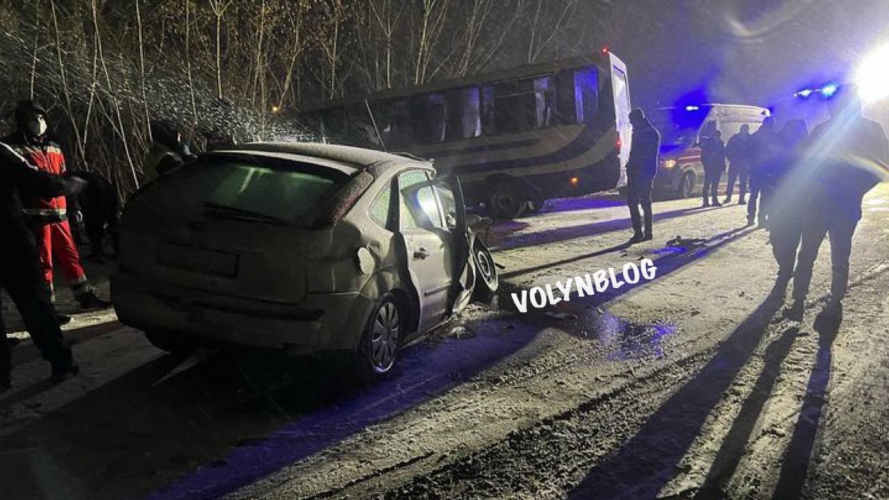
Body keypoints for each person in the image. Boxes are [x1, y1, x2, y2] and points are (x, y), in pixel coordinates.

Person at [786, 85, 889, 320]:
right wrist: (856, 190)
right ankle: (828, 302)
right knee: (836, 255)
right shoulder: (869, 130)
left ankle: (803, 302)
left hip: (822, 204)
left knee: (812, 255)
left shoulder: (828, 130)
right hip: (838, 205)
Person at [3, 100, 111, 318]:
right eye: (34, 118)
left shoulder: (54, 145)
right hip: (36, 216)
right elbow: (27, 180)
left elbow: (64, 176)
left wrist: (74, 207)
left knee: (71, 256)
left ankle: (84, 296)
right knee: (44, 262)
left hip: (60, 213)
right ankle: (49, 306)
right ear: (23, 121)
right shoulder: (13, 148)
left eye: (42, 117)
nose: (39, 122)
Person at [1, 142, 84, 392]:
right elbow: (38, 180)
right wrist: (70, 186)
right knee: (34, 303)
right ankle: (60, 361)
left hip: (11, 238)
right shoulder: (2, 153)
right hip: (9, 241)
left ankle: (2, 376)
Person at [764, 119, 808, 301]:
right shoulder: (778, 149)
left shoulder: (808, 152)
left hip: (798, 204)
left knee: (790, 242)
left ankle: (786, 271)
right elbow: (767, 171)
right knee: (776, 240)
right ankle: (786, 268)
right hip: (778, 202)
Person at [67, 170, 120, 263]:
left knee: (93, 226)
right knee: (112, 223)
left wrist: (75, 209)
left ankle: (98, 252)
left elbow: (73, 194)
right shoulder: (83, 175)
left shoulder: (71, 178)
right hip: (108, 193)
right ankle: (118, 250)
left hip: (98, 196)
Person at [625, 108, 661, 243]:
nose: (631, 124)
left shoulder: (644, 133)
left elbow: (640, 154)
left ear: (637, 120)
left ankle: (640, 232)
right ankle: (646, 232)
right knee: (644, 201)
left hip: (640, 171)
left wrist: (632, 166)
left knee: (636, 201)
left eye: (632, 121)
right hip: (645, 171)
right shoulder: (650, 132)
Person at [747, 117, 779, 227]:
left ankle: (751, 218)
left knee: (754, 195)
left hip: (756, 170)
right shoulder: (774, 137)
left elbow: (748, 153)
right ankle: (761, 218)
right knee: (765, 196)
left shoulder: (754, 136)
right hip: (767, 171)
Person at [724, 124, 752, 204]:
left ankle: (741, 198)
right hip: (736, 162)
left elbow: (753, 151)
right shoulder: (735, 138)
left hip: (744, 163)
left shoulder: (750, 139)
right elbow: (728, 149)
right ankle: (728, 197)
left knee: (743, 182)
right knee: (731, 181)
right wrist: (731, 158)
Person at [700, 130, 726, 207]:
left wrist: (723, 165)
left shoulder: (720, 144)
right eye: (716, 136)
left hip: (717, 166)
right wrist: (706, 165)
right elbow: (703, 156)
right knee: (707, 183)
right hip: (710, 166)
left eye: (718, 136)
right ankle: (706, 201)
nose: (717, 137)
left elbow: (722, 156)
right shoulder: (708, 144)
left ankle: (714, 200)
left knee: (715, 184)